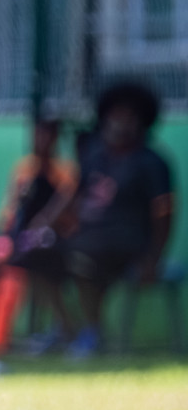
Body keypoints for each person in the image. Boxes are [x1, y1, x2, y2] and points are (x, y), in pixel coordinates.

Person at [12, 80, 176, 357]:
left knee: (84, 259)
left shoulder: (152, 163)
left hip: (127, 244)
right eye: (116, 114)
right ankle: (67, 327)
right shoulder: (95, 155)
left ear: (141, 121)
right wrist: (43, 224)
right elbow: (71, 193)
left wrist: (154, 258)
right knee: (29, 252)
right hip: (86, 236)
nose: (120, 123)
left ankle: (92, 331)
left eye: (128, 116)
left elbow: (164, 214)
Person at [0, 118, 76, 364]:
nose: (41, 141)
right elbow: (10, 217)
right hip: (16, 239)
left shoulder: (64, 172)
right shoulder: (24, 170)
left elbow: (59, 218)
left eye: (47, 136)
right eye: (38, 135)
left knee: (11, 269)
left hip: (50, 243)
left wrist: (16, 244)